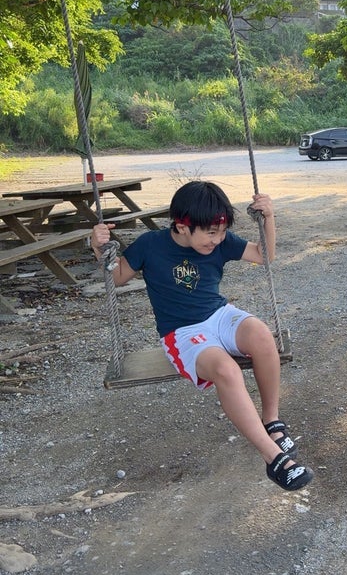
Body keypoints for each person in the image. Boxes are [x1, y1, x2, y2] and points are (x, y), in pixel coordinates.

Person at [90, 180, 313, 492]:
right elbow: (116, 276)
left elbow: (264, 256)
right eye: (210, 233)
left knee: (263, 335)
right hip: (182, 333)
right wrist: (98, 246)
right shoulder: (149, 245)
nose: (217, 239)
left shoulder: (219, 241)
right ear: (182, 226)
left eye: (221, 232)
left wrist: (269, 218)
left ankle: (272, 422)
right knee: (226, 369)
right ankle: (274, 458)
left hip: (218, 315)